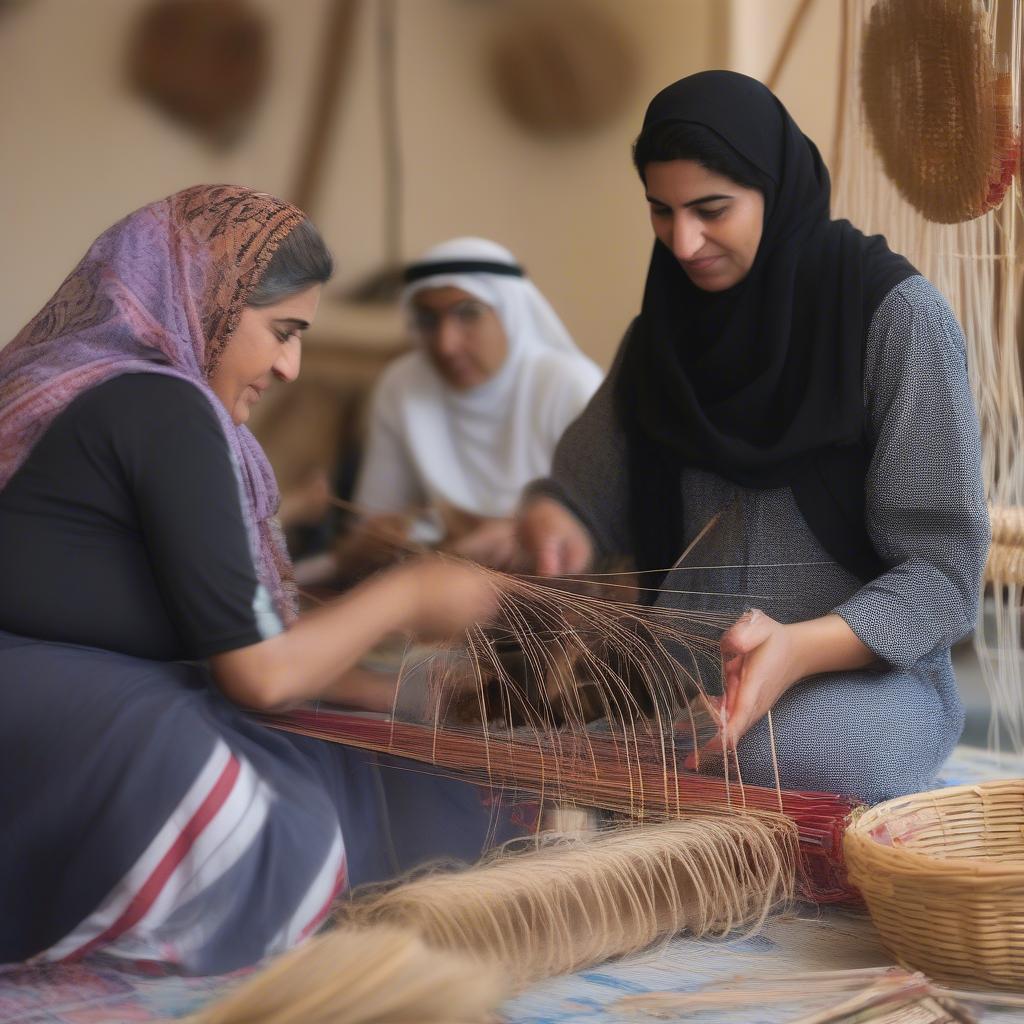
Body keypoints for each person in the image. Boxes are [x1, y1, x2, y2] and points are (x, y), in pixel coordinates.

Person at [0, 186, 504, 973]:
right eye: (282, 332)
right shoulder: (162, 406)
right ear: (208, 301)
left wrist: (396, 697)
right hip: (47, 723)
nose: (290, 365)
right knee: (269, 804)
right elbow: (259, 674)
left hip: (41, 712)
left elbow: (221, 634)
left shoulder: (110, 391)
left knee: (375, 766)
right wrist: (410, 593)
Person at [518, 71, 990, 804]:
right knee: (440, 685)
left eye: (712, 210)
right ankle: (648, 757)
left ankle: (644, 765)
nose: (683, 241)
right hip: (676, 681)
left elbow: (943, 575)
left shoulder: (895, 320)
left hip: (856, 683)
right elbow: (585, 493)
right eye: (661, 211)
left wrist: (797, 649)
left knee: (788, 758)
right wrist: (558, 525)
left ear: (776, 190)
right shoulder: (663, 335)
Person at [348, 237, 602, 568]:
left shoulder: (568, 384)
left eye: (468, 314)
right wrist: (384, 537)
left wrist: (525, 534)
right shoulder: (403, 384)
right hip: (440, 572)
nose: (446, 344)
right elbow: (374, 518)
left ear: (511, 311)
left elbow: (606, 523)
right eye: (427, 320)